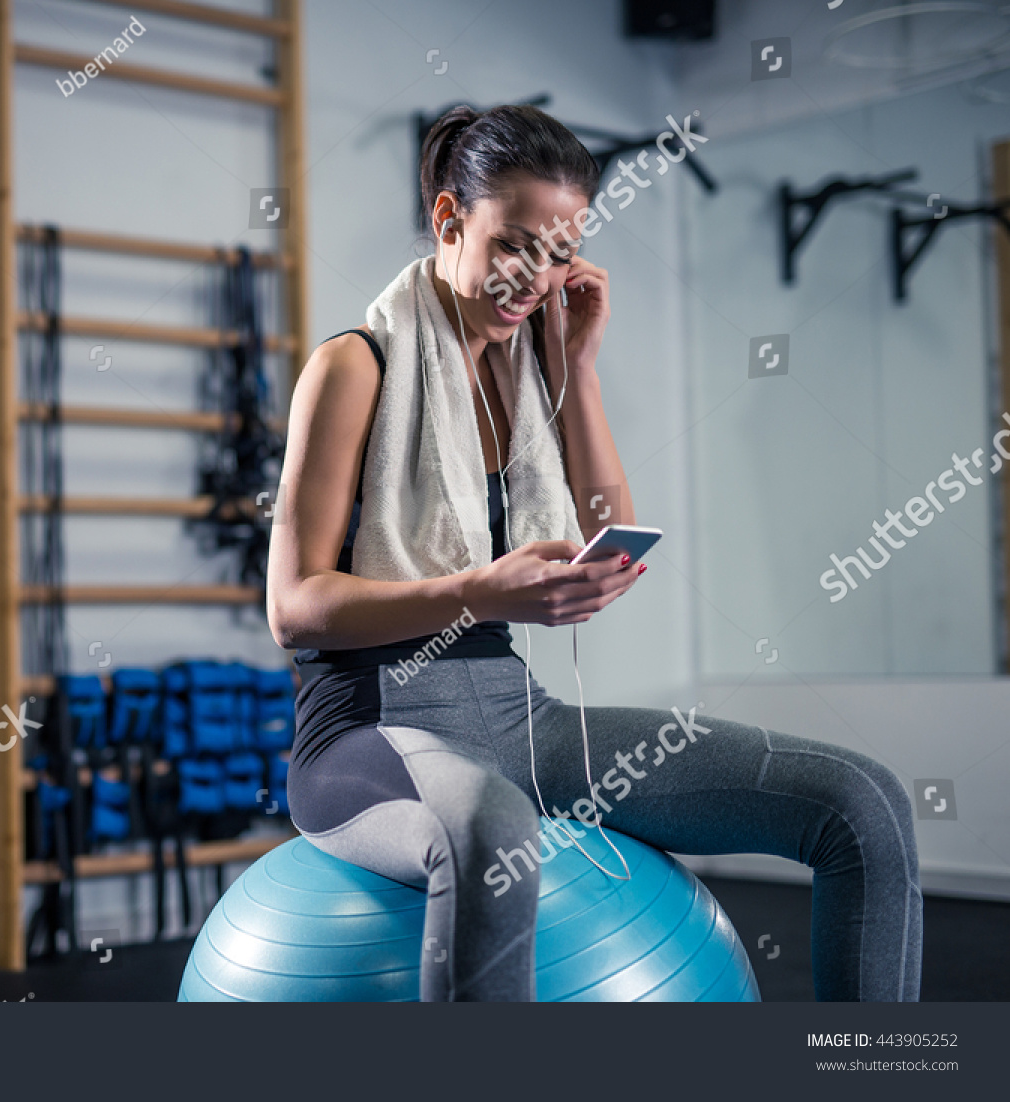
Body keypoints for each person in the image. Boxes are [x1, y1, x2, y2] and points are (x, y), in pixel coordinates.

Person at [265, 104, 922, 1002]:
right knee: (497, 835)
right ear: (450, 218)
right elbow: (292, 607)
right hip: (369, 729)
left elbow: (611, 514)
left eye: (559, 248)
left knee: (863, 800)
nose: (535, 275)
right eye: (514, 243)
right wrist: (477, 592)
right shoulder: (356, 366)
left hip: (517, 717)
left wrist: (582, 364)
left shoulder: (534, 361)